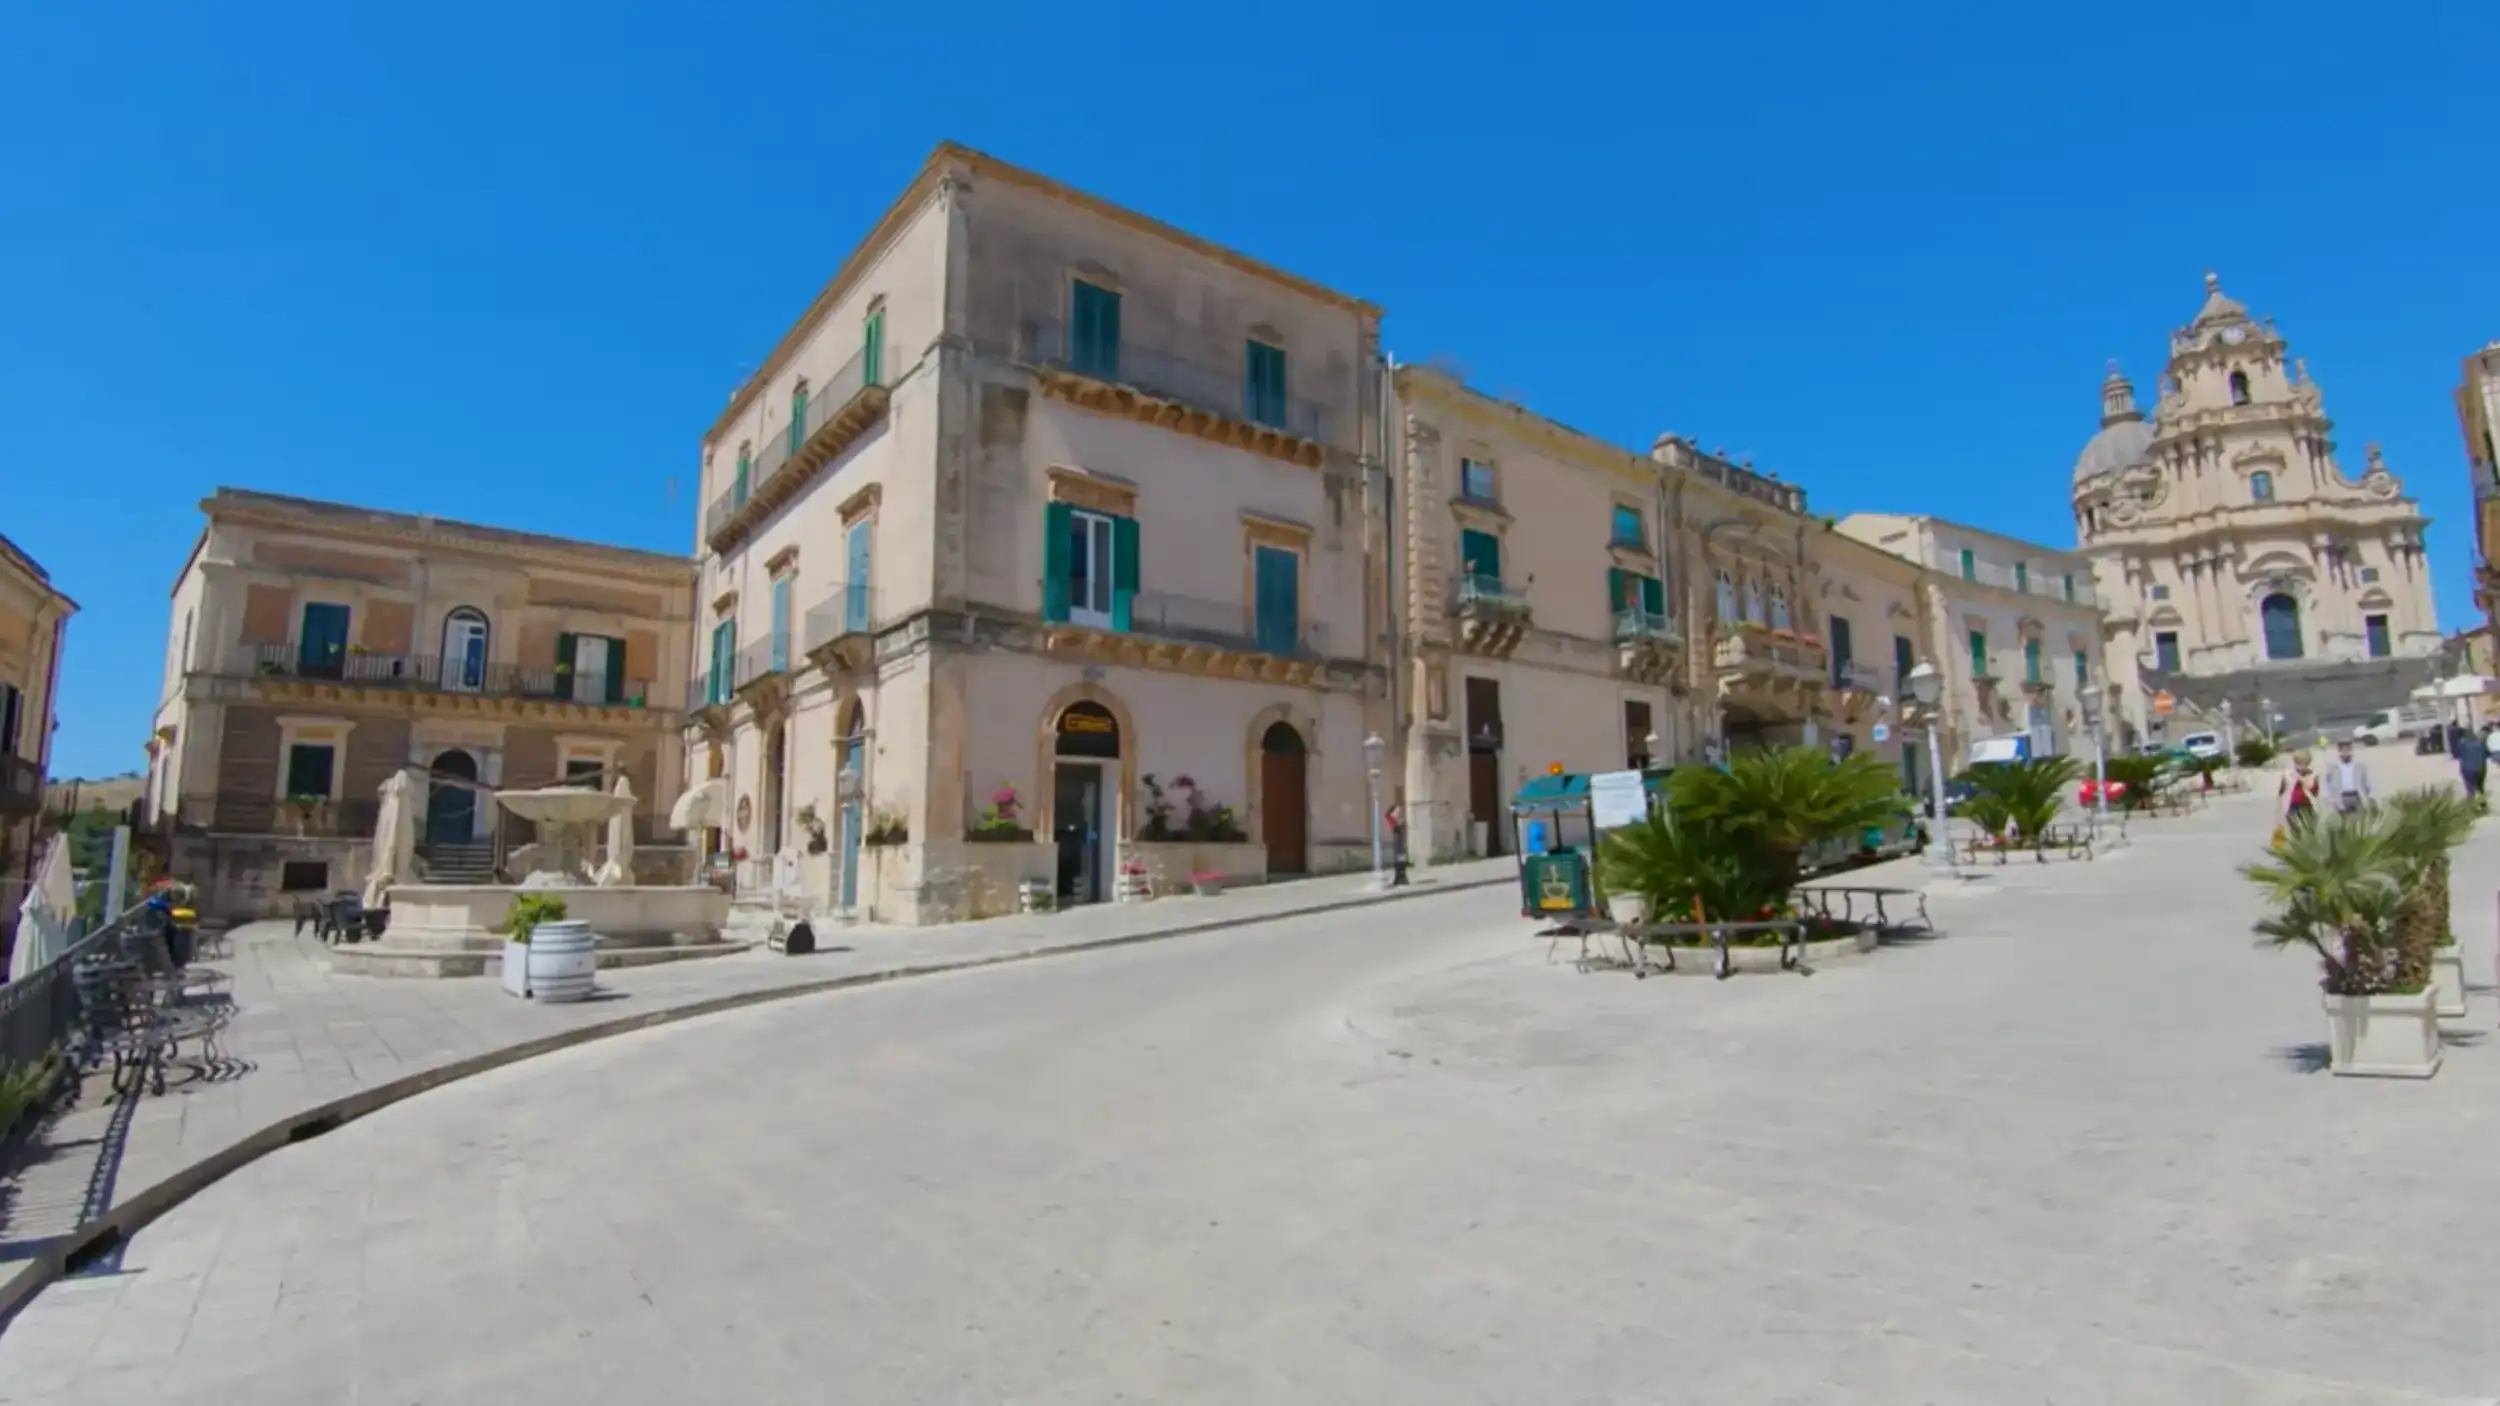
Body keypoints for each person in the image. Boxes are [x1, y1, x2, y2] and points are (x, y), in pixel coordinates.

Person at [2323, 738, 2374, 815]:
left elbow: (2367, 783)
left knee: (2358, 820)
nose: (2346, 753)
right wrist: (2329, 798)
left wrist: (2367, 796)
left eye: (2348, 750)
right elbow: (2327, 784)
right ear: (2339, 751)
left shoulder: (2359, 766)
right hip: (2341, 797)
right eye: (2343, 750)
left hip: (2356, 796)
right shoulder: (2333, 767)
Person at [2276, 750, 2321, 835]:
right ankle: (2297, 840)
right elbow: (2282, 789)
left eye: (2304, 762)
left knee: (2310, 827)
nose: (2301, 765)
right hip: (2292, 804)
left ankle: (2309, 842)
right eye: (2298, 762)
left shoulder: (2312, 774)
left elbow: (2315, 791)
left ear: (2308, 762)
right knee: (2294, 826)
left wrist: (2305, 780)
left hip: (2307, 804)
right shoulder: (2288, 774)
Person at [2455, 722, 2489, 803]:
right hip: (2480, 768)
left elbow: (2456, 754)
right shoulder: (2480, 743)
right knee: (2481, 788)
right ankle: (2483, 804)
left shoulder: (2462, 743)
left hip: (2467, 769)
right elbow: (2486, 754)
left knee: (2470, 789)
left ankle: (2471, 806)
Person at [1384, 802, 1410, 887]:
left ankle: (1402, 877)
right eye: (1397, 810)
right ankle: (1399, 878)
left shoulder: (1396, 820)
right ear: (1393, 811)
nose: (1399, 812)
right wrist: (1400, 825)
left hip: (1400, 845)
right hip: (1397, 844)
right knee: (1398, 861)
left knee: (1401, 860)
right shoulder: (1391, 819)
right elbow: (1395, 830)